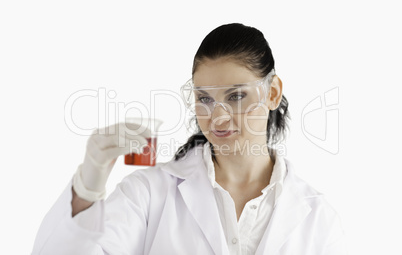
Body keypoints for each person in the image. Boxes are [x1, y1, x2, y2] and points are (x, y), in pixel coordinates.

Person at [32, 23, 348, 255]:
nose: (218, 117)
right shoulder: (148, 195)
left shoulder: (318, 218)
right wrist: (89, 182)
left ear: (273, 92)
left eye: (236, 95)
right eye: (205, 99)